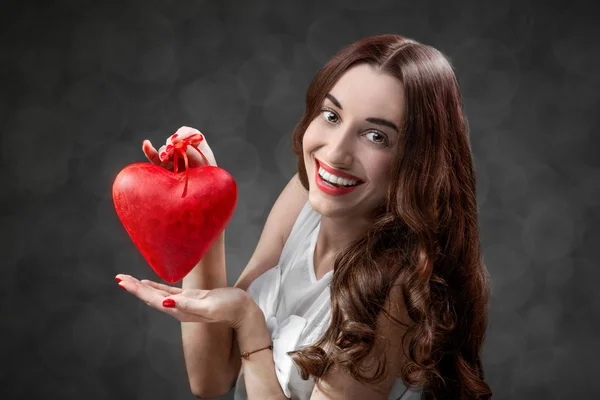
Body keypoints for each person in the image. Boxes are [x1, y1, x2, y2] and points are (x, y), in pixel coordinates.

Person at [116, 34, 492, 400]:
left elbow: (239, 334)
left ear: (417, 162)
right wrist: (200, 207)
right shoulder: (303, 197)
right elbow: (211, 378)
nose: (336, 152)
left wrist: (249, 325)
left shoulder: (396, 291)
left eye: (376, 136)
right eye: (331, 115)